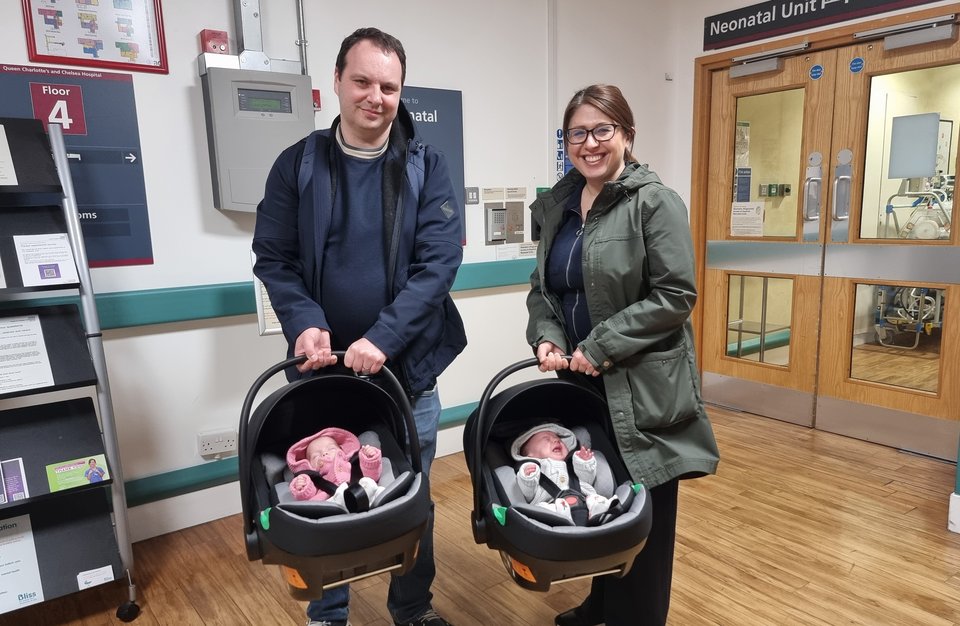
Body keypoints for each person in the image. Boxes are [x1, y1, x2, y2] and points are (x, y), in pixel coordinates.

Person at [252, 26, 466, 626]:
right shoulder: (296, 165)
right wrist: (305, 321)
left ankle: (412, 608)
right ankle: (329, 613)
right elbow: (275, 256)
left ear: (402, 93)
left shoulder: (426, 166)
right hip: (321, 372)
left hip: (407, 373)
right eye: (363, 81)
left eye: (389, 86)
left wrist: (384, 338)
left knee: (411, 496)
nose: (376, 96)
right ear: (337, 84)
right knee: (320, 491)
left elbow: (439, 263)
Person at [526, 84, 720, 626]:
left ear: (627, 136)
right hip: (581, 385)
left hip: (643, 386)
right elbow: (543, 289)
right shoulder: (561, 205)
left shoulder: (653, 201)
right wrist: (548, 337)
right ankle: (601, 607)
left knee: (645, 521)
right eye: (577, 133)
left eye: (602, 130)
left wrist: (600, 346)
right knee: (601, 498)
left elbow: (676, 294)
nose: (589, 143)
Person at [509, 423, 618, 524]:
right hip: (551, 504)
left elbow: (587, 480)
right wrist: (528, 478)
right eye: (546, 439)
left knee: (596, 499)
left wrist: (584, 463)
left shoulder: (573, 463)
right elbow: (528, 494)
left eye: (558, 439)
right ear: (529, 454)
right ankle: (562, 516)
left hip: (583, 500)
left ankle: (599, 511)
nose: (556, 441)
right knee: (541, 508)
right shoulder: (533, 469)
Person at [286, 427, 383, 507]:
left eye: (331, 448)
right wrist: (303, 487)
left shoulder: (354, 464)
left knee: (371, 484)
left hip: (363, 493)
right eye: (315, 456)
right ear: (310, 465)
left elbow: (372, 475)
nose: (324, 453)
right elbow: (308, 497)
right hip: (333, 505)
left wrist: (370, 458)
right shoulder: (315, 479)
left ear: (342, 451)